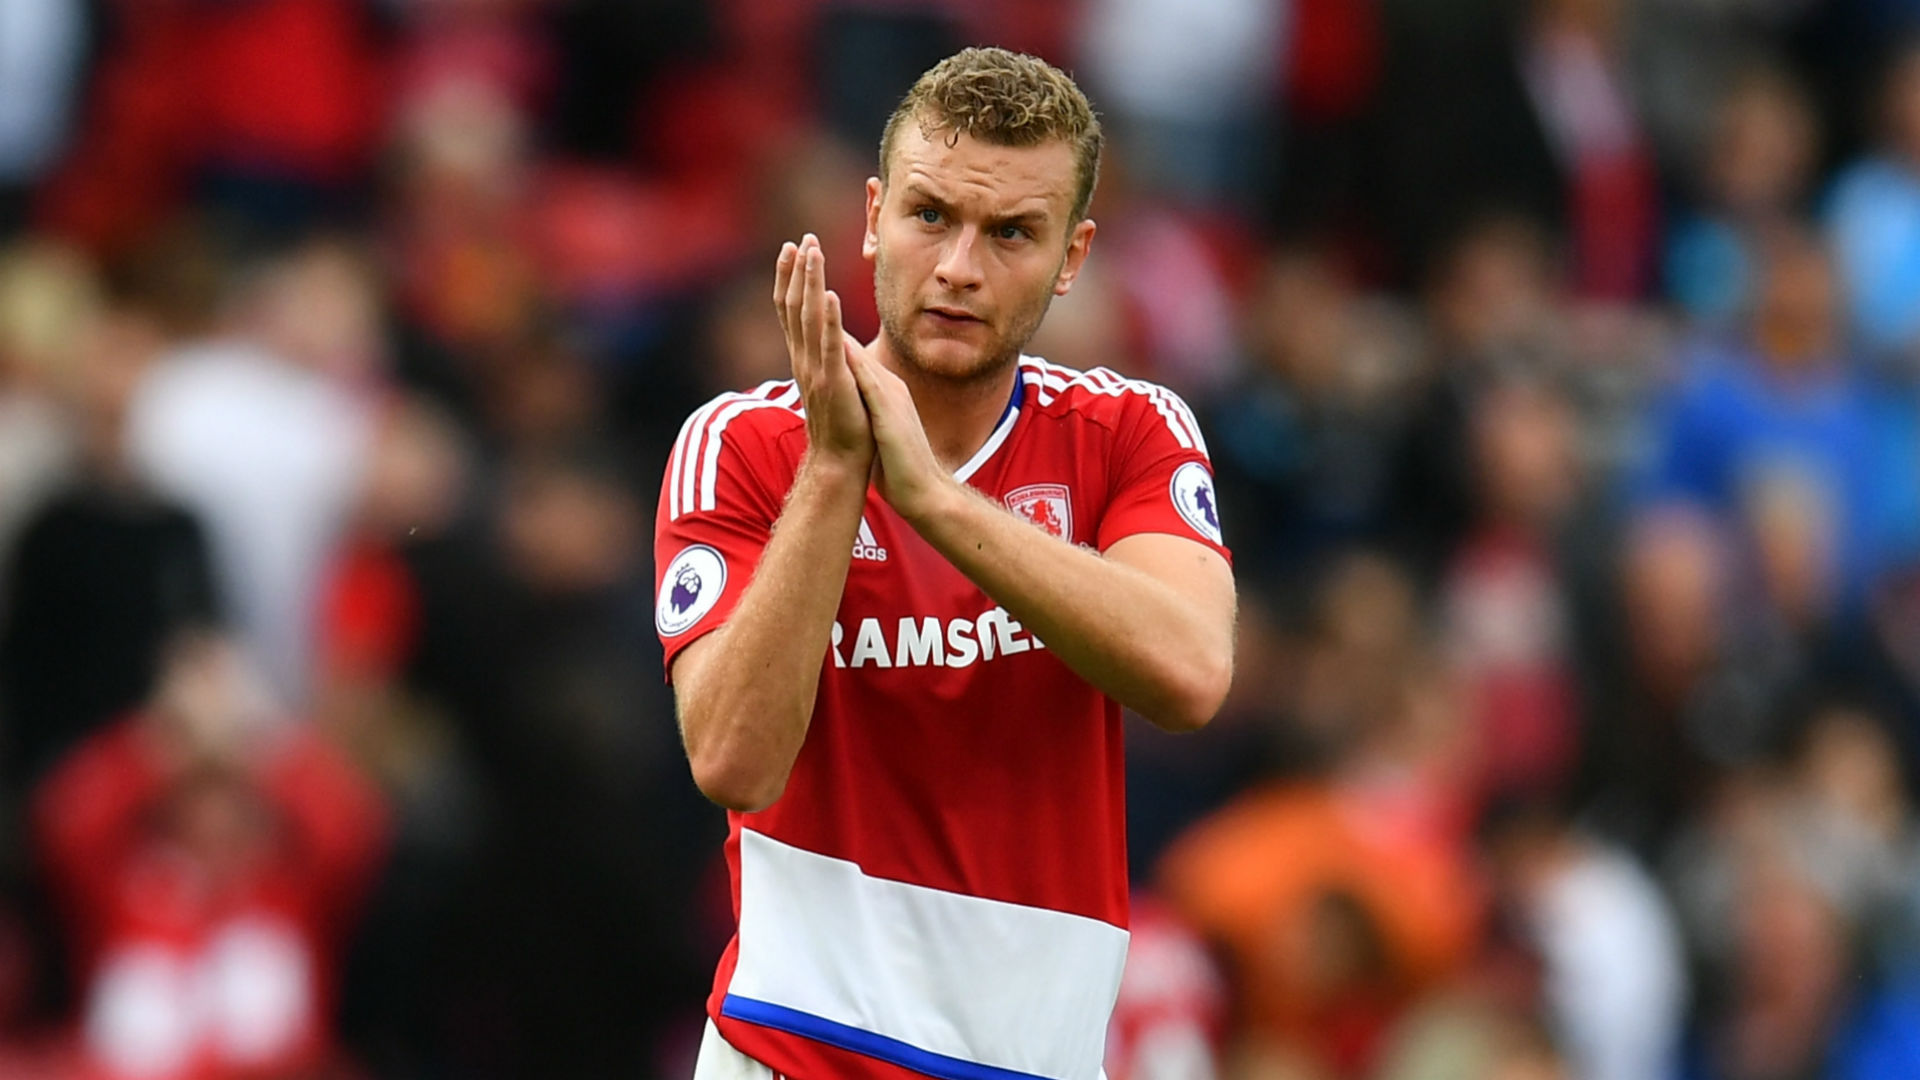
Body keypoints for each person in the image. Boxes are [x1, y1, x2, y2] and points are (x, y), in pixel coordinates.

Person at [653, 47, 1237, 1080]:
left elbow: (1190, 674)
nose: (960, 267)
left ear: (1072, 255)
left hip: (1035, 1060)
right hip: (796, 1051)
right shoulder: (741, 445)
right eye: (931, 215)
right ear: (873, 216)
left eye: (1011, 232)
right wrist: (836, 472)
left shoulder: (1131, 431)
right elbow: (733, 762)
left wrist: (932, 497)